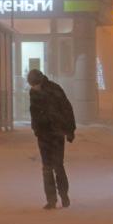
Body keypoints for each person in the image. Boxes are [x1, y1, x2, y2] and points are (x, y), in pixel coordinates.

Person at [27, 69, 76, 210]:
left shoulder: (55, 90)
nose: (33, 87)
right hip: (43, 134)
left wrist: (70, 130)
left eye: (34, 84)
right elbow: (34, 113)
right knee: (47, 168)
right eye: (31, 85)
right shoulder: (34, 93)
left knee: (58, 166)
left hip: (56, 133)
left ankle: (64, 195)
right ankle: (51, 199)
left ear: (40, 80)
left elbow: (67, 109)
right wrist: (36, 128)